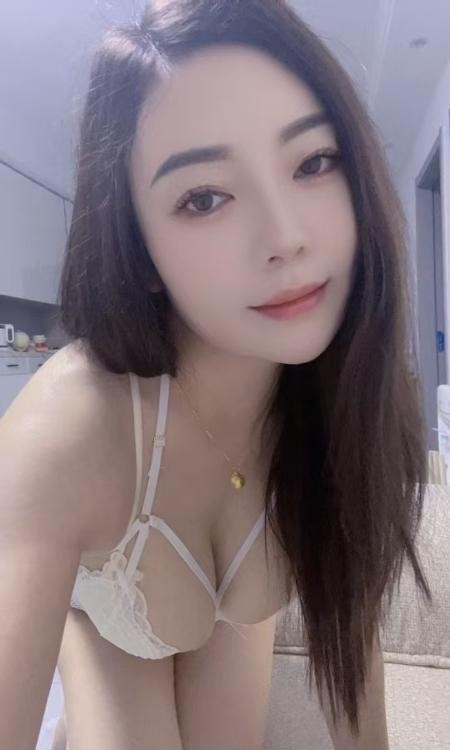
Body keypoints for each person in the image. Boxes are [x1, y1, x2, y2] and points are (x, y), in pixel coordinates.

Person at [0, 1, 433, 749]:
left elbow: (351, 649)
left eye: (313, 162)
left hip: (234, 606)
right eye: (204, 198)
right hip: (112, 606)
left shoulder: (351, 396)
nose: (286, 237)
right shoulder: (68, 427)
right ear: (138, 248)